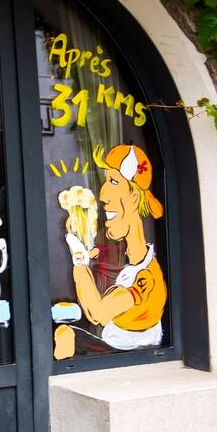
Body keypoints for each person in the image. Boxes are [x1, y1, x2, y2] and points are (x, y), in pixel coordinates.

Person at [56, 144, 167, 359]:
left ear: (134, 197)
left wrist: (79, 262)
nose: (104, 195)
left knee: (64, 335)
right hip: (111, 348)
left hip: (127, 358)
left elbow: (98, 314)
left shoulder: (145, 277)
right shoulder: (127, 260)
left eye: (114, 182)